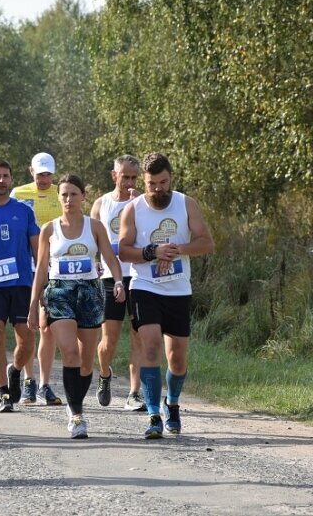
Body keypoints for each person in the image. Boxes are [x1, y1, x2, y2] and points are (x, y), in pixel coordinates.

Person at [119, 152, 214, 439]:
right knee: (149, 348)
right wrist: (151, 252)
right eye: (152, 184)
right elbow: (123, 250)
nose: (158, 188)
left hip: (177, 288)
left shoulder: (186, 204)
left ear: (171, 178)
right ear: (144, 182)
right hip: (144, 286)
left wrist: (176, 249)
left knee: (178, 358)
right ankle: (152, 413)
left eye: (163, 182)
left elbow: (206, 243)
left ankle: (171, 403)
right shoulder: (133, 209)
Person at [28, 174, 124, 439]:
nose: (68, 199)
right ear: (58, 198)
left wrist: (118, 282)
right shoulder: (49, 229)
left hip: (90, 291)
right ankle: (76, 414)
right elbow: (40, 271)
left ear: (83, 196)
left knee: (85, 360)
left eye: (73, 194)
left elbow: (109, 257)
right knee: (69, 352)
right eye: (64, 195)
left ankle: (76, 403)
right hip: (60, 292)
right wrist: (34, 302)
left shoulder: (95, 227)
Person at [90, 155, 146, 411]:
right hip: (110, 278)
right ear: (115, 176)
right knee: (108, 340)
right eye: (126, 177)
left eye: (134, 178)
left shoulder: (143, 204)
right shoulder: (101, 204)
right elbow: (89, 242)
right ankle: (104, 373)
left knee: (139, 336)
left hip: (139, 276)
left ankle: (135, 393)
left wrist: (139, 204)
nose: (130, 182)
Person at [0, 160, 40, 412]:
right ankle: (4, 392)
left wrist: (43, 285)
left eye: (5, 176)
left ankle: (15, 370)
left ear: (12, 180)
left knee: (26, 341)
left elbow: (38, 251)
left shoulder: (24, 211)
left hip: (21, 283)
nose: (1, 181)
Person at [10, 152, 62, 405]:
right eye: (40, 173)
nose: (44, 178)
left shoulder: (61, 194)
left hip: (56, 266)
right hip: (26, 265)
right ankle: (28, 380)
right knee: (31, 325)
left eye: (48, 174)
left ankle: (44, 383)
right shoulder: (18, 194)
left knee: (48, 326)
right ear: (31, 171)